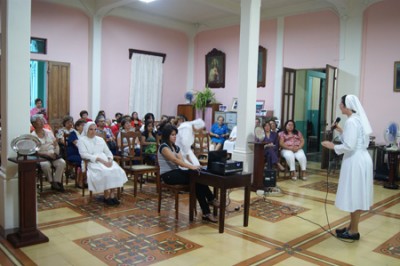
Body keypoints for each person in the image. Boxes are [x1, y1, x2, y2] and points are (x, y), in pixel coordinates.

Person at [321, 95, 373, 240]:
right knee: (356, 193)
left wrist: (332, 146)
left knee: (355, 194)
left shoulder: (351, 121)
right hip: (362, 158)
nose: (339, 105)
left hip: (355, 161)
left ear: (347, 106)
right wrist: (341, 130)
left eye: (341, 103)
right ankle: (351, 227)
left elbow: (349, 145)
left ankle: (353, 231)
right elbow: (355, 139)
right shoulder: (358, 119)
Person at [158, 124, 218, 222]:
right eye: (172, 135)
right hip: (167, 175)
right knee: (196, 179)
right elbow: (176, 160)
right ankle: (210, 201)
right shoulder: (163, 147)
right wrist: (192, 167)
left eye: (175, 135)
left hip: (177, 171)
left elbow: (182, 161)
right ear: (166, 136)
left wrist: (194, 167)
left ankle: (207, 211)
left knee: (198, 180)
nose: (174, 137)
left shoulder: (175, 147)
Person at [78, 122, 128, 206]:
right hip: (92, 162)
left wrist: (110, 160)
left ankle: (112, 194)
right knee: (105, 172)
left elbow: (108, 152)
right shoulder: (82, 140)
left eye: (95, 129)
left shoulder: (100, 139)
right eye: (91, 129)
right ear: (86, 130)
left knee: (116, 170)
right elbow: (83, 154)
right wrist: (99, 159)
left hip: (105, 161)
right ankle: (106, 195)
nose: (93, 131)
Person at [31, 114, 66, 192]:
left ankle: (57, 181)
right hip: (41, 155)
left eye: (42, 120)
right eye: (39, 121)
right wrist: (46, 154)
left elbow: (55, 144)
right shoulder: (33, 136)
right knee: (45, 165)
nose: (42, 122)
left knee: (62, 162)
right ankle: (52, 182)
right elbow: (34, 152)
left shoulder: (49, 132)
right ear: (34, 124)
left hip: (52, 154)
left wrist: (56, 152)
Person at [66, 119, 86, 187]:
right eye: (83, 125)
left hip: (81, 154)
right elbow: (77, 145)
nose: (84, 127)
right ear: (77, 127)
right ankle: (79, 182)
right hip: (73, 155)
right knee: (84, 161)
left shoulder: (84, 135)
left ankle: (85, 180)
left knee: (90, 160)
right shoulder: (73, 133)